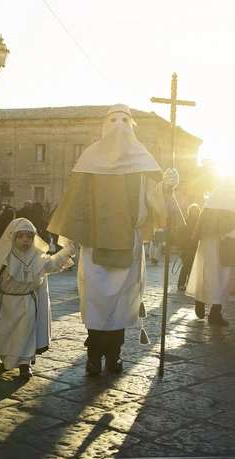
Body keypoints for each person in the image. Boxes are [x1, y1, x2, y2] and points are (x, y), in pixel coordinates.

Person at [48, 104, 179, 374]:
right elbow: (77, 203)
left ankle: (113, 356)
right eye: (113, 120)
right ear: (105, 125)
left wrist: (166, 186)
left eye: (125, 120)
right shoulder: (90, 159)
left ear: (131, 125)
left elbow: (153, 199)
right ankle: (94, 356)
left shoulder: (142, 161)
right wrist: (71, 239)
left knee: (119, 305)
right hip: (94, 244)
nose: (119, 125)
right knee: (96, 303)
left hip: (127, 244)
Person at [0, 218, 76, 379]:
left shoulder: (39, 257)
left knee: (26, 332)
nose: (25, 240)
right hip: (6, 304)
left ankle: (25, 363)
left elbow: (54, 264)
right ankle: (7, 359)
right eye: (20, 236)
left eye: (29, 236)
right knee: (5, 334)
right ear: (12, 237)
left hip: (28, 302)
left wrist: (69, 250)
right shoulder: (2, 259)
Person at [186, 179, 235, 326]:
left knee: (207, 274)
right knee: (222, 279)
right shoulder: (230, 192)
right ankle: (214, 313)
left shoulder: (218, 193)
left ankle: (202, 301)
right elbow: (227, 229)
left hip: (209, 242)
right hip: (224, 244)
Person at [176, 203, 201, 290]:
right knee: (187, 266)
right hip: (188, 248)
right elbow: (180, 236)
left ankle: (186, 284)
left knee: (188, 266)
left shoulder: (188, 222)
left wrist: (180, 248)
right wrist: (180, 248)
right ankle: (182, 284)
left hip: (190, 248)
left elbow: (179, 236)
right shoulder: (187, 222)